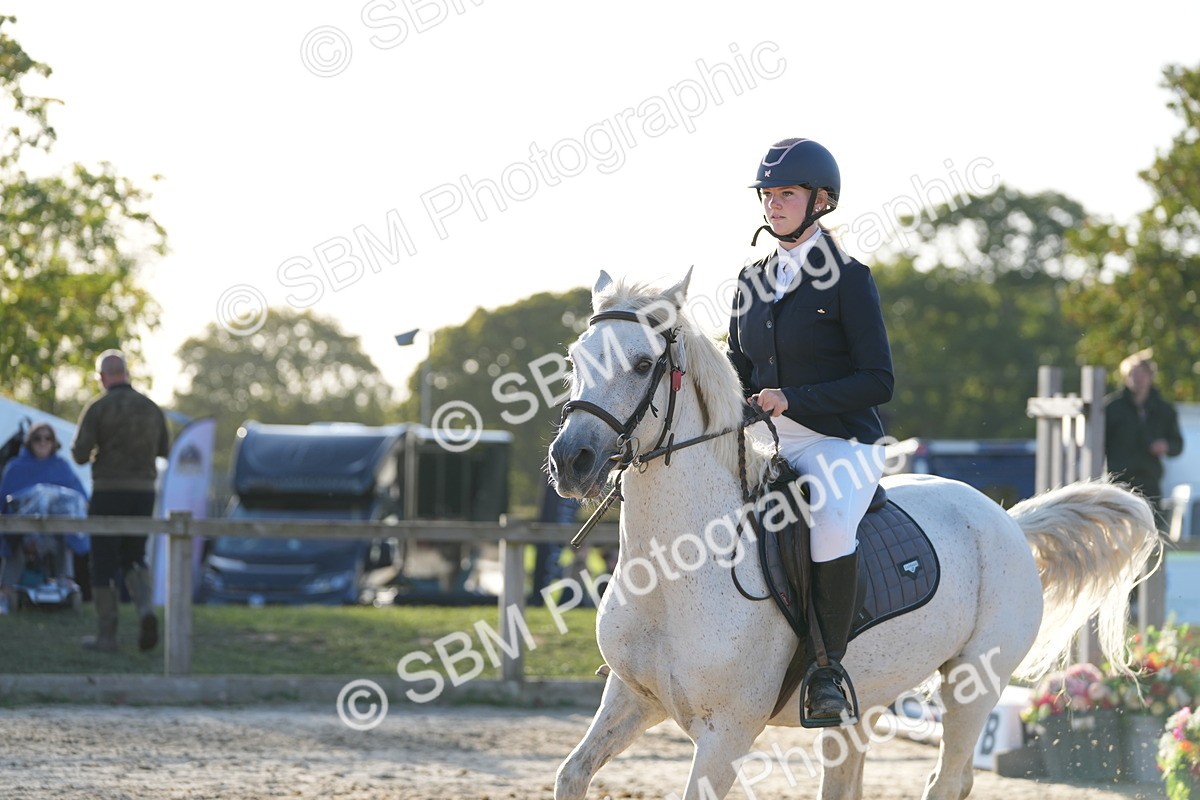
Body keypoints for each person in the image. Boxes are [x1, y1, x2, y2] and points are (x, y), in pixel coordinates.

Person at [726, 138, 894, 725]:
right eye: (768, 195)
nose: (773, 204)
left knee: (827, 524)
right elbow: (736, 367)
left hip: (838, 444)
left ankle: (827, 670)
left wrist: (793, 398)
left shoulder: (849, 279)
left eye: (787, 194)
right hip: (766, 441)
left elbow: (878, 380)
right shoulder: (750, 279)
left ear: (820, 201)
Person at [71, 350, 170, 653]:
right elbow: (166, 450)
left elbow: (79, 454)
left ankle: (107, 636)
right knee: (135, 556)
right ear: (127, 373)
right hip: (144, 493)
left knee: (103, 561)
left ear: (102, 377)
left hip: (108, 492)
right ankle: (145, 610)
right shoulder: (151, 408)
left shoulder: (98, 408)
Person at [0, 422, 90, 612]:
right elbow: (5, 503)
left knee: (65, 538)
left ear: (53, 442)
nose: (43, 442)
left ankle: (65, 583)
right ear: (29, 442)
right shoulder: (15, 468)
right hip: (23, 534)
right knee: (13, 543)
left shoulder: (62, 467)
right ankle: (6, 593)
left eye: (47, 438)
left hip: (55, 534)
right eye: (37, 438)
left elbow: (79, 499)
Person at [1105, 348, 1184, 526]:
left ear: (1150, 376)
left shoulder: (1164, 410)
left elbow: (1178, 444)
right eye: (1133, 374)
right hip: (1119, 482)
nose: (1138, 379)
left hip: (1150, 482)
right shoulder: (1112, 408)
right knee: (1119, 529)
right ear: (1125, 377)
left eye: (1142, 374)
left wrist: (1166, 446)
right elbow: (1098, 443)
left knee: (1152, 530)